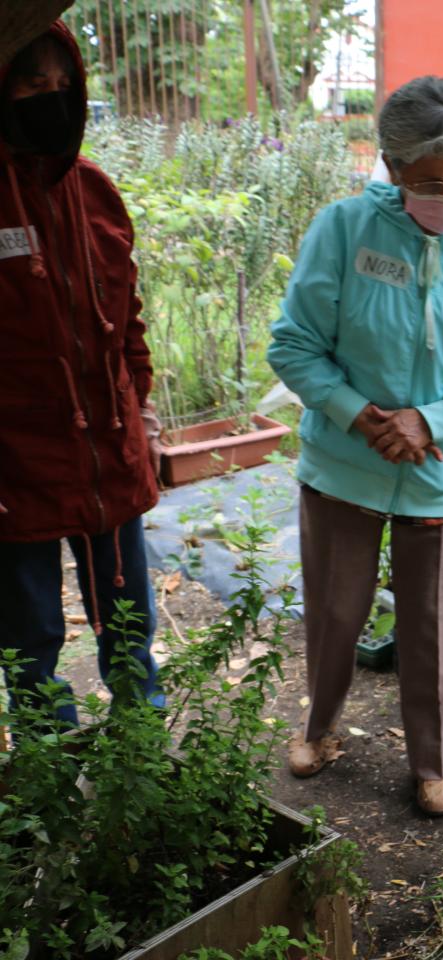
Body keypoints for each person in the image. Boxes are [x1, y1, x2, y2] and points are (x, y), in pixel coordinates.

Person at [268, 76, 443, 816]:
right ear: (390, 168)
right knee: (335, 614)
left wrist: (434, 419)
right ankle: (319, 728)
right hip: (344, 467)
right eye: (428, 183)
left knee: (429, 627)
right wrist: (362, 416)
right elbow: (294, 346)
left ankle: (433, 761)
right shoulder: (345, 231)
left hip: (440, 474)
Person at [0, 22, 165, 725]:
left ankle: (142, 746)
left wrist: (143, 412)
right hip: (16, 467)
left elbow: (127, 319)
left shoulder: (95, 191)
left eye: (63, 84)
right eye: (34, 85)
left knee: (128, 621)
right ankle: (49, 774)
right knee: (29, 635)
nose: (53, 98)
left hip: (107, 450)